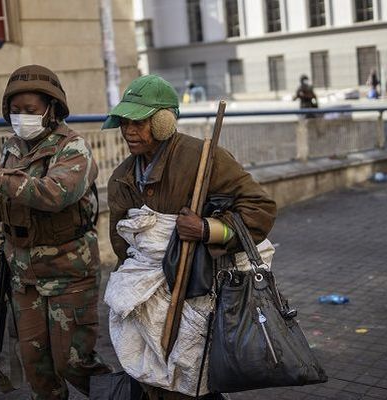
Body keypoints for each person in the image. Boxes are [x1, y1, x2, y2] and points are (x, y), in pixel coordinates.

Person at [0, 64, 110, 399]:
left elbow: (53, 193)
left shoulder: (73, 149)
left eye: (30, 111)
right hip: (24, 276)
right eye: (15, 111)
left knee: (74, 363)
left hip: (68, 274)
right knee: (38, 369)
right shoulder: (13, 148)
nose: (21, 117)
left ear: (51, 109)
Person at [102, 75, 277, 399]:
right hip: (146, 296)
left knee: (191, 381)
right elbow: (121, 242)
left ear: (164, 121)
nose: (128, 131)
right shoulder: (123, 176)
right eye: (124, 122)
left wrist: (208, 229)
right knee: (150, 379)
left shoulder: (204, 158)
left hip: (196, 292)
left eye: (138, 122)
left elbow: (260, 208)